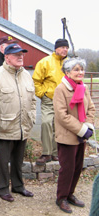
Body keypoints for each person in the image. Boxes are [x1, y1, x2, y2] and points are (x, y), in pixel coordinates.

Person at [0, 43, 36, 202]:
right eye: (16, 54)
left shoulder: (26, 74)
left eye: (22, 54)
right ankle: (2, 189)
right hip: (5, 126)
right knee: (2, 161)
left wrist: (32, 116)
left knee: (18, 160)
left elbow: (32, 100)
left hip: (23, 126)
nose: (20, 57)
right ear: (6, 57)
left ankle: (18, 187)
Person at [53, 58, 95, 214]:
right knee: (68, 168)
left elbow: (91, 108)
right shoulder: (61, 89)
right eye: (76, 69)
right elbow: (62, 116)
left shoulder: (83, 87)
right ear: (68, 72)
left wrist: (89, 125)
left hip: (81, 135)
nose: (81, 72)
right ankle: (61, 197)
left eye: (82, 69)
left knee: (77, 167)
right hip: (67, 136)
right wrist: (82, 129)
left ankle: (70, 194)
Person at [32, 39, 69, 166]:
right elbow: (36, 81)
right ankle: (46, 153)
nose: (65, 50)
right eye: (63, 47)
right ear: (56, 48)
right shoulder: (45, 62)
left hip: (65, 100)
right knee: (47, 123)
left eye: (67, 48)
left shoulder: (69, 63)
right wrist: (42, 94)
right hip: (49, 98)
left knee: (58, 126)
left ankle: (55, 153)